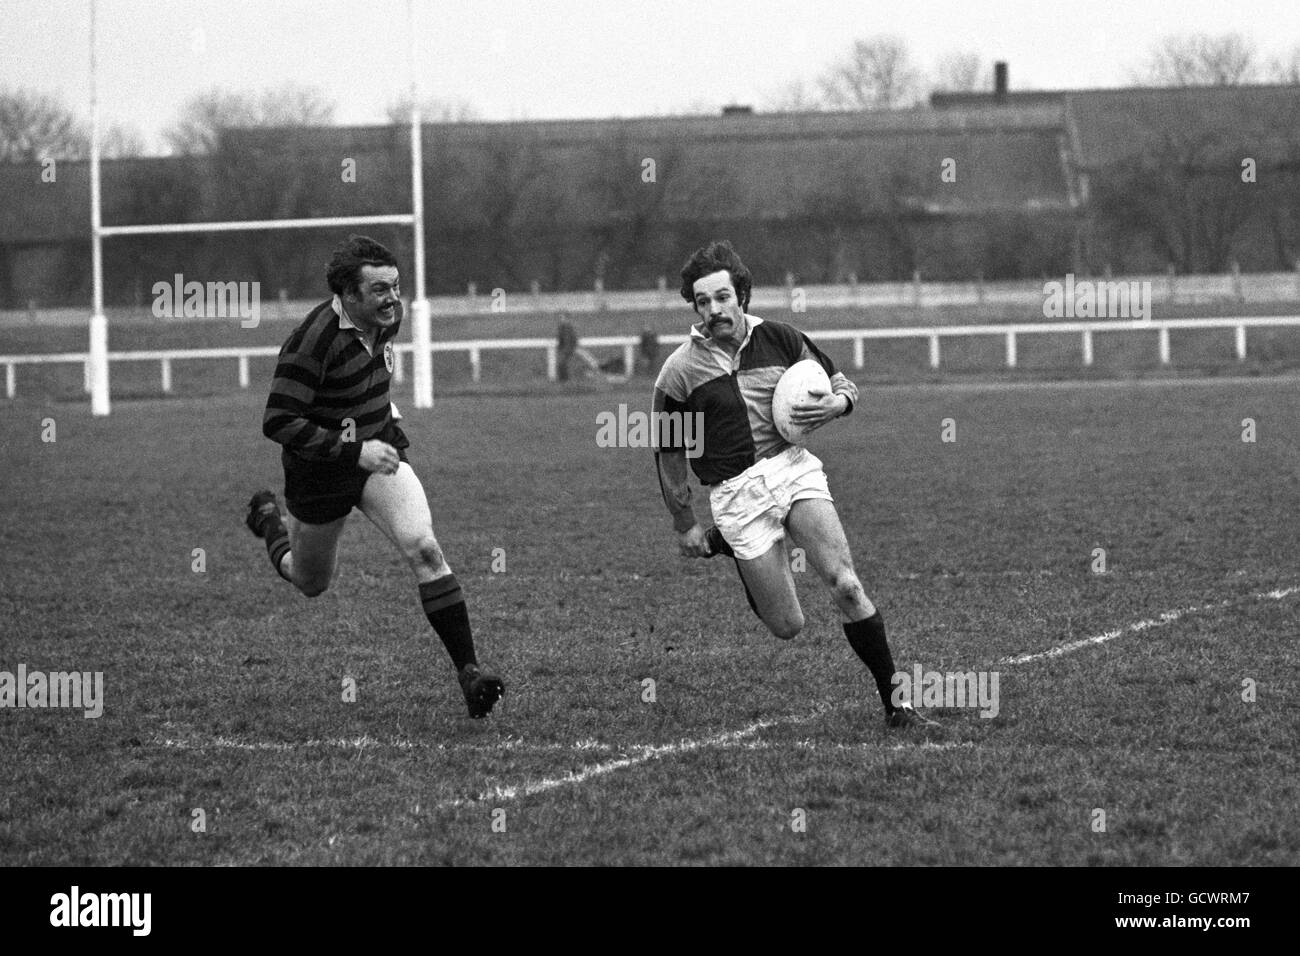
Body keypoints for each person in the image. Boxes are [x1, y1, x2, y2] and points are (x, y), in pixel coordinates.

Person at [652, 240, 933, 728]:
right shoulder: (678, 372)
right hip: (736, 493)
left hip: (792, 468)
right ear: (694, 307)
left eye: (722, 297)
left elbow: (843, 384)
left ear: (741, 294)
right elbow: (668, 452)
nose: (714, 309)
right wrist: (685, 524)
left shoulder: (782, 338)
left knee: (845, 585)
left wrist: (837, 405)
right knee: (787, 625)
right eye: (702, 301)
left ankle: (898, 706)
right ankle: (730, 544)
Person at [244, 235, 504, 718]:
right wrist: (350, 449)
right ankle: (269, 523)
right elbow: (278, 421)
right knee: (309, 581)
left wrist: (383, 427)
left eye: (396, 286)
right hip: (319, 475)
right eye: (380, 289)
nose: (393, 298)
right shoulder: (311, 342)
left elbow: (373, 379)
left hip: (377, 454)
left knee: (425, 548)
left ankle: (470, 675)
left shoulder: (388, 320)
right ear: (348, 295)